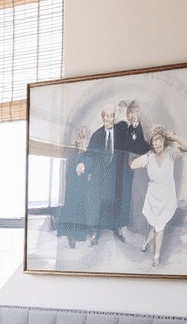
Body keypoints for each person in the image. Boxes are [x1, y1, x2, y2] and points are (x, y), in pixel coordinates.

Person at [130, 126, 187, 266]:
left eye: (159, 140)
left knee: (159, 227)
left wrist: (174, 138)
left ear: (164, 140)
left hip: (167, 198)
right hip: (153, 198)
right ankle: (146, 243)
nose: (157, 143)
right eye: (154, 141)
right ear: (151, 143)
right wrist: (136, 159)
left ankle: (156, 256)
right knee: (154, 226)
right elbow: (133, 164)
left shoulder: (170, 153)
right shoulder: (149, 157)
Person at [86, 105, 124, 243]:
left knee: (116, 201)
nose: (110, 119)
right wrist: (87, 170)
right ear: (102, 118)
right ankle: (95, 232)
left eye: (112, 116)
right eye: (107, 116)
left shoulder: (120, 134)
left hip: (115, 174)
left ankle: (116, 229)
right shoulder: (96, 135)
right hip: (99, 174)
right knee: (96, 203)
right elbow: (89, 155)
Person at [113, 101, 150, 232]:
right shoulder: (120, 127)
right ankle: (119, 225)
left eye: (136, 113)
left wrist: (150, 149)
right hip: (120, 166)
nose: (133, 115)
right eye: (122, 111)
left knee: (132, 195)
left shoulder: (136, 126)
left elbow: (140, 145)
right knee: (120, 194)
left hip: (132, 168)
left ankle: (128, 225)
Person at [56, 127, 90, 248]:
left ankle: (78, 235)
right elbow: (69, 169)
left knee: (80, 209)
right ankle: (70, 236)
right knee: (71, 209)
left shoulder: (86, 151)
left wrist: (85, 173)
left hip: (82, 185)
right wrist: (77, 172)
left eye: (84, 135)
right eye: (80, 135)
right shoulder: (73, 151)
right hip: (73, 184)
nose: (82, 137)